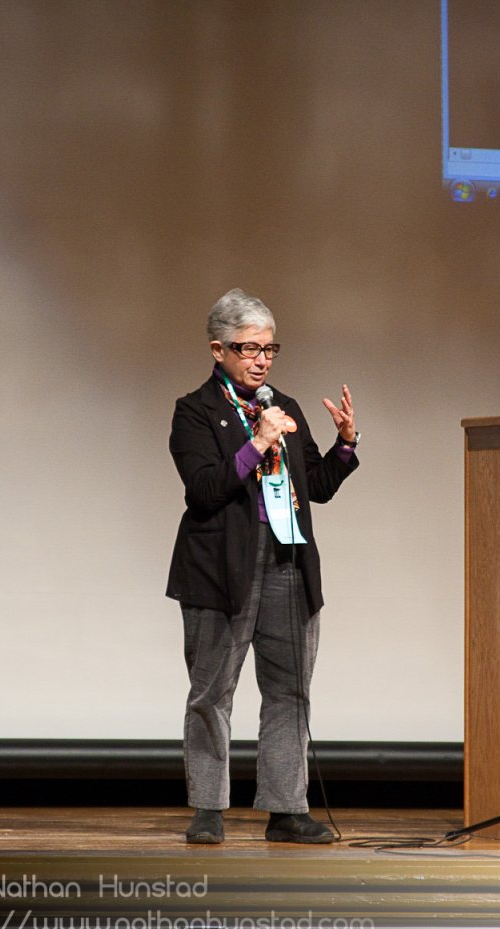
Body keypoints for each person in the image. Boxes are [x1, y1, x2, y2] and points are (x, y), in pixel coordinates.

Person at [166, 288, 359, 844]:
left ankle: (286, 809)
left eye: (270, 349)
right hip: (221, 568)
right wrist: (256, 443)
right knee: (212, 692)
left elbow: (315, 487)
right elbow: (204, 489)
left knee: (290, 692)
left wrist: (346, 444)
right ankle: (208, 808)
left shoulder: (287, 407)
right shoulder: (195, 411)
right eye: (249, 348)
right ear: (218, 349)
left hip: (287, 562)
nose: (261, 360)